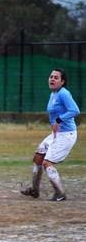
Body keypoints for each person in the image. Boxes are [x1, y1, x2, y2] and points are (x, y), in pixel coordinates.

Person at [21, 68, 80, 201]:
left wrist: (59, 120)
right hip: (57, 134)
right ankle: (35, 190)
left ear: (62, 81)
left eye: (56, 77)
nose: (52, 79)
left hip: (67, 135)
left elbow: (75, 110)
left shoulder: (64, 93)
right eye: (51, 76)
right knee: (38, 158)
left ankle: (60, 193)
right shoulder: (53, 93)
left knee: (47, 163)